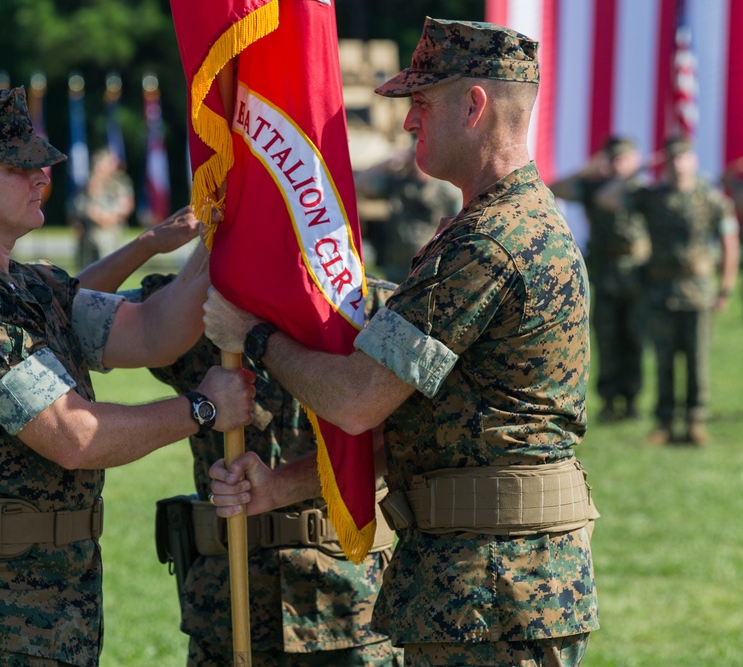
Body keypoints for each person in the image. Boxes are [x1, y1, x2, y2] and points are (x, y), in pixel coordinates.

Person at [204, 18, 599, 667]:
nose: (409, 122)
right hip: (492, 580)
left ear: (473, 106)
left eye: (421, 103)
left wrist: (251, 334)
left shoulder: (489, 242)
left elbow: (358, 399)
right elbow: (423, 424)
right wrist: (281, 486)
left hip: (488, 590)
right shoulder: (514, 224)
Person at [0, 87, 255, 667]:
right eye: (16, 165)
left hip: (40, 613)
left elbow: (152, 330)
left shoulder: (24, 285)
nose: (41, 175)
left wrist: (222, 236)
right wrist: (201, 409)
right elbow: (76, 437)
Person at [137, 274, 403, 667]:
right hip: (228, 603)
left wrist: (284, 486)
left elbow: (393, 441)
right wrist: (155, 245)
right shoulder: (198, 311)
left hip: (351, 606)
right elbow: (108, 329)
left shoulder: (377, 310)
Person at [598, 136, 739, 446]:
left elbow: (730, 242)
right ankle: (664, 422)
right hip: (659, 291)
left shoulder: (711, 198)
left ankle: (694, 421)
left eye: (683, 158)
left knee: (696, 359)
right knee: (663, 359)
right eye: (671, 159)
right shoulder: (651, 196)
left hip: (699, 290)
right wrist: (637, 171)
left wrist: (725, 288)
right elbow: (606, 198)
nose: (677, 164)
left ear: (694, 161)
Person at [550, 136, 650, 421]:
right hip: (605, 271)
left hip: (635, 272)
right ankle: (608, 399)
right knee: (606, 337)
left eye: (624, 158)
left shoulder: (643, 190)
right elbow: (556, 188)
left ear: (634, 159)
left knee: (633, 336)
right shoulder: (594, 186)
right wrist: (589, 167)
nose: (618, 163)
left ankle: (631, 399)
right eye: (614, 158)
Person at [355, 139, 461, 283]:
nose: (418, 162)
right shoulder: (398, 184)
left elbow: (459, 222)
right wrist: (388, 162)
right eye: (415, 156)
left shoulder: (446, 190)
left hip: (429, 265)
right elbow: (361, 184)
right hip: (396, 264)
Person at [71, 147, 135, 269]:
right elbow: (76, 207)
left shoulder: (120, 182)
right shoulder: (87, 185)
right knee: (86, 271)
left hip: (110, 232)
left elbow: (127, 204)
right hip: (89, 232)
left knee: (108, 268)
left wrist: (111, 217)